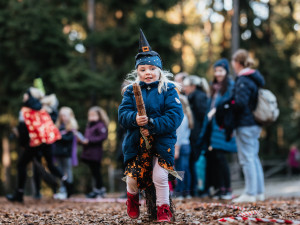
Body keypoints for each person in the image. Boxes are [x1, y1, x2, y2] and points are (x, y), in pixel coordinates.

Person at [118, 29, 183, 222]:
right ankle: (132, 199)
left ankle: (164, 209)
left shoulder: (169, 89)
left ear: (159, 70)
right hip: (137, 143)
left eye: (152, 69)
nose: (148, 73)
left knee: (160, 176)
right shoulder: (131, 90)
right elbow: (123, 114)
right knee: (133, 178)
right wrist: (134, 119)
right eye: (143, 69)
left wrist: (153, 124)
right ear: (137, 71)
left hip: (162, 141)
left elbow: (174, 116)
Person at [6, 87, 68, 203]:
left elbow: (24, 129)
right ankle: (66, 182)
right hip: (46, 141)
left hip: (35, 142)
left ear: (30, 96)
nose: (24, 95)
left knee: (22, 165)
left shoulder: (26, 110)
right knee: (49, 165)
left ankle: (20, 193)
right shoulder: (45, 108)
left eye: (26, 94)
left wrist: (23, 142)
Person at [197, 59, 237, 200]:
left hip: (222, 126)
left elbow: (230, 107)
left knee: (221, 158)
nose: (218, 73)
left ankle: (227, 189)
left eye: (221, 70)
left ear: (226, 71)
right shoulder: (213, 88)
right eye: (216, 70)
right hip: (211, 128)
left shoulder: (230, 87)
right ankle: (220, 188)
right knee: (214, 158)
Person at [231, 49, 265, 203]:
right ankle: (258, 192)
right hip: (254, 123)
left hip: (245, 123)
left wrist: (229, 104)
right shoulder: (253, 78)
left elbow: (240, 103)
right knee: (254, 157)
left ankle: (250, 193)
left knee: (247, 159)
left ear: (237, 62)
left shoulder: (244, 80)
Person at [183, 75, 209, 196]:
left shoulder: (198, 97)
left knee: (195, 161)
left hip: (197, 135)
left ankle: (198, 189)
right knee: (192, 161)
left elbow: (202, 116)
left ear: (193, 86)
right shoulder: (193, 97)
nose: (184, 88)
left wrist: (198, 134)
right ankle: (195, 189)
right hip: (195, 134)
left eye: (186, 86)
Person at [80, 106, 109, 198]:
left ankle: (100, 190)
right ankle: (96, 189)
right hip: (88, 152)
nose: (91, 117)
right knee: (93, 171)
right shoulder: (90, 125)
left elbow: (102, 137)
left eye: (93, 115)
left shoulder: (100, 125)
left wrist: (89, 140)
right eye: (90, 115)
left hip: (96, 152)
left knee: (97, 171)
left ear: (99, 115)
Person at [52, 106, 78, 200]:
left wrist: (59, 136)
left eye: (65, 115)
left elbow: (68, 139)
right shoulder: (58, 127)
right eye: (61, 116)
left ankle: (68, 190)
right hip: (58, 153)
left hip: (67, 154)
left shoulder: (71, 128)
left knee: (67, 171)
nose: (63, 118)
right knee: (60, 172)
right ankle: (61, 190)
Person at [174, 95, 193, 199]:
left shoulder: (181, 117)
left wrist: (176, 149)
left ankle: (180, 191)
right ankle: (187, 192)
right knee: (185, 169)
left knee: (180, 170)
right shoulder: (187, 116)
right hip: (186, 145)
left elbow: (179, 135)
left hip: (181, 146)